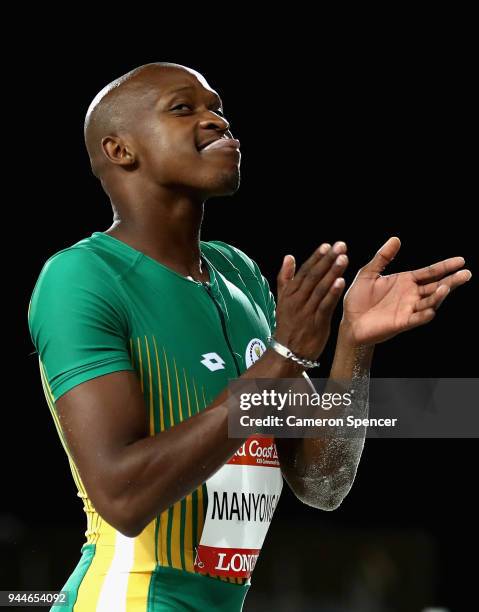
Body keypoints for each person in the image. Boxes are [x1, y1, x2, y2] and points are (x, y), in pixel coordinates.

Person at [27, 62, 471, 611]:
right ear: (121, 150)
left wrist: (353, 346)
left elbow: (321, 481)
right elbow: (122, 494)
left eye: (218, 108)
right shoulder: (83, 278)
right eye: (185, 109)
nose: (217, 122)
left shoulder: (237, 275)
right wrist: (284, 357)